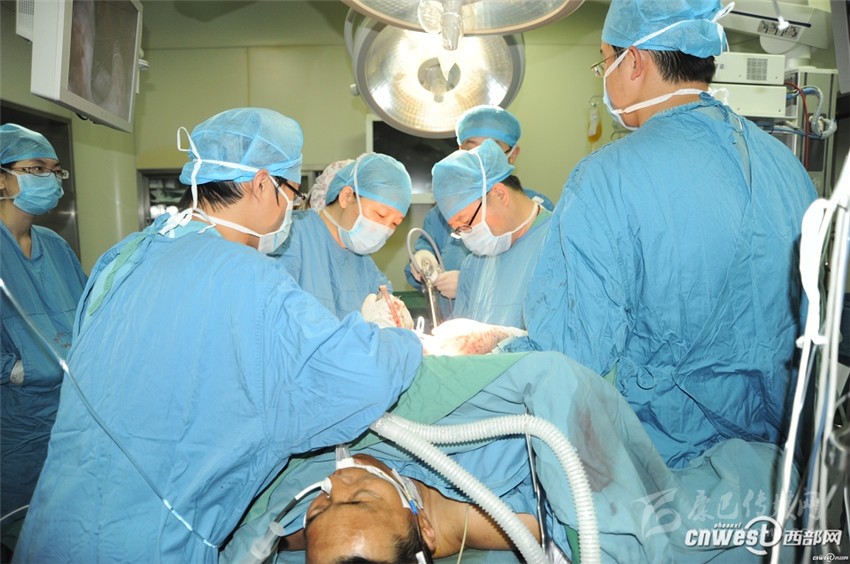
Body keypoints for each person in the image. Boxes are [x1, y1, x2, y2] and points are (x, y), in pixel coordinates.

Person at [12, 108, 423, 563]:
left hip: (53, 527)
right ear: (262, 184)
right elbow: (359, 378)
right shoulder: (248, 277)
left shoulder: (126, 254)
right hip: (147, 545)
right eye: (292, 193)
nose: (292, 208)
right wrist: (398, 337)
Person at [522, 0, 817, 470]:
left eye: (604, 61)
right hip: (781, 471)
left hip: (667, 473)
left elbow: (572, 354)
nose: (604, 77)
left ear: (634, 62)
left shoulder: (606, 178)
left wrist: (496, 353)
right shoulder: (786, 165)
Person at [222, 351, 793, 563]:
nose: (335, 484)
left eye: (320, 510)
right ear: (422, 527)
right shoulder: (482, 518)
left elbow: (548, 380)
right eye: (359, 498)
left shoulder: (316, 515)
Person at [0, 124, 87, 557]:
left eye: (54, 170)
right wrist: (20, 369)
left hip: (68, 418)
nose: (49, 179)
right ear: (2, 179)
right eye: (35, 169)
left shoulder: (54, 246)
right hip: (14, 426)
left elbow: (89, 315)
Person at [404, 105, 554, 314]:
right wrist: (423, 258)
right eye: (471, 148)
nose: (480, 155)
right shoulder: (453, 225)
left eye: (491, 147)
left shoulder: (546, 228)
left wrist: (466, 284)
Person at [273, 153, 413, 320]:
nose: (385, 228)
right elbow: (281, 316)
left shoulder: (364, 264)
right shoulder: (290, 236)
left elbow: (387, 308)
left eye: (395, 223)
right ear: (346, 196)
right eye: (381, 214)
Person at [430, 139, 551, 328]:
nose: (467, 236)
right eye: (458, 229)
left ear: (500, 194)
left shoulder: (559, 244)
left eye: (466, 222)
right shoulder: (475, 264)